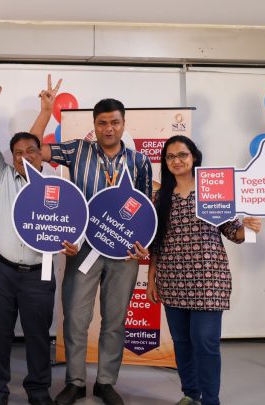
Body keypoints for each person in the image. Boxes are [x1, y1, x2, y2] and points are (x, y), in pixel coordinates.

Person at [34, 96, 152, 405]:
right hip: (84, 248)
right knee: (75, 317)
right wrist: (45, 112)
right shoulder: (77, 150)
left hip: (123, 252)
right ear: (94, 125)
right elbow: (32, 151)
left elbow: (145, 210)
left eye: (115, 122)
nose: (109, 128)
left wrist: (142, 245)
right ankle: (75, 382)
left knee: (115, 320)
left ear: (123, 124)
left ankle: (105, 382)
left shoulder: (140, 162)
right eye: (102, 123)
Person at [0, 78, 73, 405]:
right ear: (12, 157)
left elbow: (71, 222)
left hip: (39, 272)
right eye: (17, 153)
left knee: (37, 335)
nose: (23, 156)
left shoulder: (55, 184)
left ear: (41, 154)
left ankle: (38, 390)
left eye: (30, 151)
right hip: (2, 270)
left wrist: (71, 242)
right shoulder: (2, 176)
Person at [147, 136, 261, 405]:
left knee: (205, 341)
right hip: (172, 279)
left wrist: (250, 228)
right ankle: (190, 393)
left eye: (182, 155)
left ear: (194, 157)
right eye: (170, 156)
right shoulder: (160, 197)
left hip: (209, 279)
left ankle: (211, 400)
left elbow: (233, 232)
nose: (176, 160)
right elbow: (156, 243)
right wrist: (152, 279)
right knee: (181, 341)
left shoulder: (212, 191)